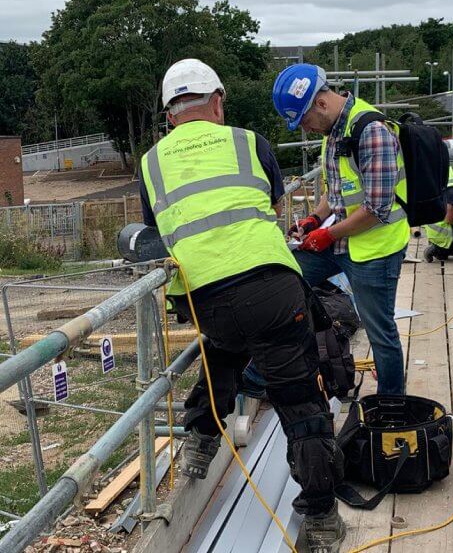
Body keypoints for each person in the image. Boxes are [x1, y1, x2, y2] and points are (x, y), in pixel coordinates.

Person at [139, 59, 345, 552]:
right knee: (299, 399)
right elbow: (271, 204)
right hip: (271, 286)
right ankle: (320, 518)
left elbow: (157, 229)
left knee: (224, 348)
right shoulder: (248, 141)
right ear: (217, 102)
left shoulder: (150, 163)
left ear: (169, 116)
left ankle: (201, 438)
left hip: (203, 297)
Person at [272, 63, 409, 395]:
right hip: (342, 241)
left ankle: (392, 404)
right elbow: (335, 191)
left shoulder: (371, 131)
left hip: (376, 249)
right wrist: (313, 220)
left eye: (304, 121)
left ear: (321, 103)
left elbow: (376, 209)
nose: (305, 129)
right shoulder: (332, 131)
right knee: (288, 279)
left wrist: (327, 234)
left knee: (380, 333)